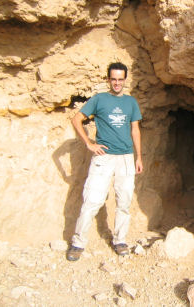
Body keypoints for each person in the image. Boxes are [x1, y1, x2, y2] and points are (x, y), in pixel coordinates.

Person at [66, 62, 143, 261]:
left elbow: (135, 129)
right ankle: (78, 242)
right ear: (108, 79)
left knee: (124, 201)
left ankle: (120, 240)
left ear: (125, 80)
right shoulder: (99, 99)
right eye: (113, 79)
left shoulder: (131, 102)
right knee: (92, 200)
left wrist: (139, 157)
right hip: (104, 157)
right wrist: (89, 144)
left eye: (120, 79)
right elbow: (77, 119)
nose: (117, 83)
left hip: (126, 157)